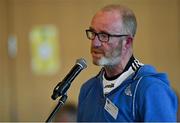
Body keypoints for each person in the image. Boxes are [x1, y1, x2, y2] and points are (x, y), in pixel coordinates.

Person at [77, 4, 178, 122]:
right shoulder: (87, 89)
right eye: (93, 33)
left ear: (127, 42)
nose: (95, 43)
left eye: (104, 35)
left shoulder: (151, 89)